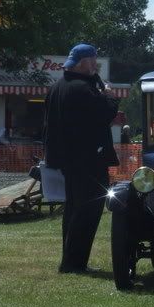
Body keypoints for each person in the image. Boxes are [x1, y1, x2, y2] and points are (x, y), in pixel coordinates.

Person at [43, 43, 119, 273]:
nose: (95, 65)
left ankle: (70, 259)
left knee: (74, 208)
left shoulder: (57, 87)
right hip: (87, 158)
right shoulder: (82, 90)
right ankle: (74, 262)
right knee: (88, 209)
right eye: (93, 61)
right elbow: (105, 114)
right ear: (84, 62)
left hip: (67, 159)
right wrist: (109, 96)